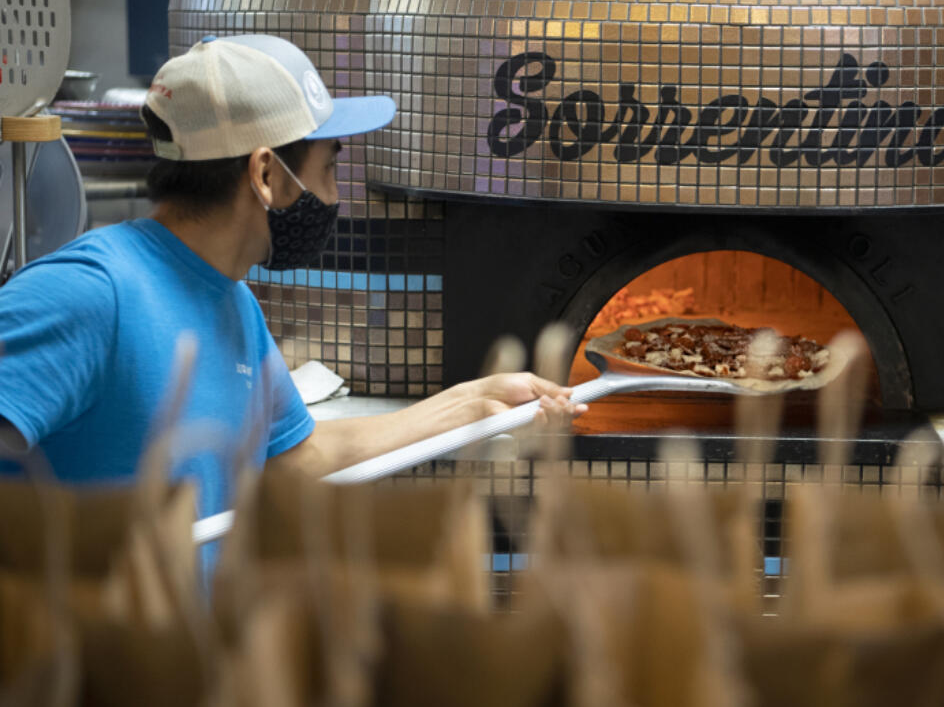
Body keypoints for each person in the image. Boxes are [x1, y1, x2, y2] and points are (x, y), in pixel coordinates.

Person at [0, 34, 586, 544]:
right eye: (329, 168)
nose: (335, 196)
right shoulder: (92, 293)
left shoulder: (232, 302)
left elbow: (296, 458)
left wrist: (471, 404)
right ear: (264, 174)